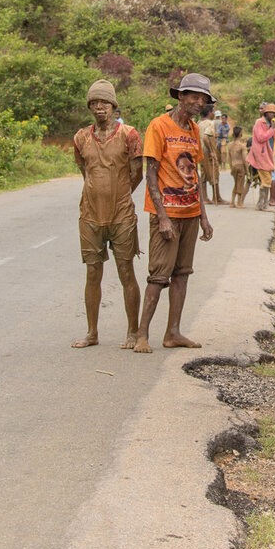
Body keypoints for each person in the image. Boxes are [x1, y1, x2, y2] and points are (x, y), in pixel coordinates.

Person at [134, 73, 215, 354]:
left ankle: (173, 333)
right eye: (193, 96)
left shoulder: (194, 130)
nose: (198, 102)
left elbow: (196, 174)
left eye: (203, 98)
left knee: (182, 273)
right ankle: (141, 335)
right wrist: (163, 217)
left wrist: (203, 216)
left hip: (191, 213)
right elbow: (151, 175)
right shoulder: (158, 126)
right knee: (159, 276)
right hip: (166, 214)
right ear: (180, 96)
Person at [71, 79, 143, 349]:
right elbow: (85, 172)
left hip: (122, 215)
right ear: (89, 106)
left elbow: (138, 174)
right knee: (92, 272)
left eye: (104, 102)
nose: (99, 107)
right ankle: (92, 333)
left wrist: (120, 195)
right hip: (90, 215)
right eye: (94, 102)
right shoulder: (81, 138)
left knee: (126, 271)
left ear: (114, 105)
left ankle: (133, 332)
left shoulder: (129, 134)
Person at [246, 102, 275, 211]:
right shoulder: (259, 122)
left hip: (268, 155)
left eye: (273, 113)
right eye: (269, 112)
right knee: (266, 179)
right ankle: (262, 205)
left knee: (267, 180)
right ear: (265, 113)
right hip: (261, 155)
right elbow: (260, 137)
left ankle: (262, 204)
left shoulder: (271, 123)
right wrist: (271, 130)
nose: (272, 115)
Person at [197, 105, 225, 205]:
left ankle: (205, 197)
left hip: (200, 152)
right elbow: (205, 137)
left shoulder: (199, 123)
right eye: (213, 111)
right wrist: (211, 151)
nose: (214, 113)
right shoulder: (210, 123)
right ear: (209, 112)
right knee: (214, 173)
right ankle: (216, 197)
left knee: (204, 174)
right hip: (208, 152)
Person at [226, 125, 250, 208]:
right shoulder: (242, 146)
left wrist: (231, 167)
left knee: (236, 184)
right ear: (241, 135)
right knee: (240, 184)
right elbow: (244, 159)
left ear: (232, 135)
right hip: (240, 167)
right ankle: (239, 203)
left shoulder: (229, 145)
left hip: (233, 166)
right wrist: (247, 170)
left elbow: (229, 158)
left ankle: (232, 202)